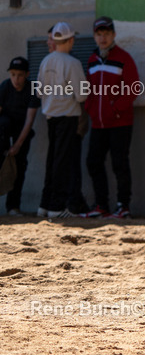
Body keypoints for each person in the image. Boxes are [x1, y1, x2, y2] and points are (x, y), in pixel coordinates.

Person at [83, 17, 141, 219]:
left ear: (114, 35)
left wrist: (115, 109)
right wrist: (91, 109)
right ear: (94, 37)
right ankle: (101, 206)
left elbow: (134, 88)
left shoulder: (124, 57)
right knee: (93, 162)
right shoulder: (92, 60)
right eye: (99, 34)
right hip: (98, 124)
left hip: (120, 122)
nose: (103, 38)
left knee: (120, 164)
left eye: (106, 34)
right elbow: (89, 89)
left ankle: (123, 206)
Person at [37, 23, 88, 219]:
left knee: (52, 160)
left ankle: (45, 203)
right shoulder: (72, 63)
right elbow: (82, 96)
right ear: (70, 40)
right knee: (62, 162)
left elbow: (40, 91)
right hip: (68, 117)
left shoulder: (45, 61)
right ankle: (57, 207)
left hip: (50, 116)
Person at [1, 57, 41, 216]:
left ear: (27, 74)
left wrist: (17, 145)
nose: (16, 79)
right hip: (3, 131)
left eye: (19, 75)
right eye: (13, 74)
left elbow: (29, 120)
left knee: (19, 167)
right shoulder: (5, 86)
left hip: (21, 132)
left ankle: (13, 207)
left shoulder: (32, 89)